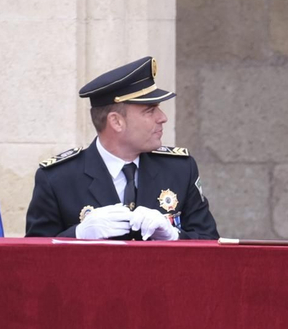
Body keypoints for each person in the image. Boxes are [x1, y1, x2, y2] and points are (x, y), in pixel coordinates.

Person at [25, 56, 218, 240]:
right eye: (150, 110)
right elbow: (32, 259)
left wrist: (174, 236)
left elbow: (210, 244)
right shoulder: (58, 178)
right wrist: (78, 234)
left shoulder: (180, 170)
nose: (162, 118)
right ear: (116, 122)